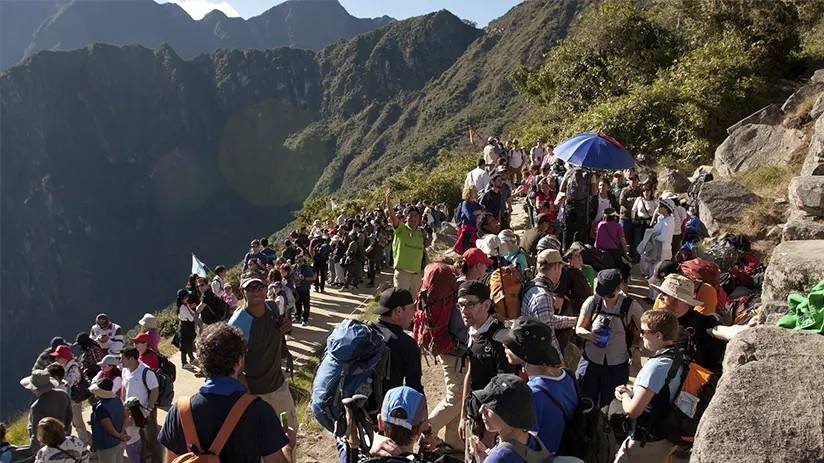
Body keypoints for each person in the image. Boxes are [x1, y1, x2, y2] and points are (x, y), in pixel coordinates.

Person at [159, 323, 289, 463]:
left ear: (203, 363)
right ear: (239, 360)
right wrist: (289, 447)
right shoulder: (260, 411)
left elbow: (171, 460)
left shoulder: (179, 412)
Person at [228, 270, 297, 462]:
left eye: (259, 286)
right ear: (243, 291)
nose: (256, 291)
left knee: (289, 440)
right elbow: (232, 367)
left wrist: (287, 325)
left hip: (279, 386)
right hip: (255, 395)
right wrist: (248, 397)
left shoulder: (273, 308)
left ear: (267, 288)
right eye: (251, 288)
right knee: (261, 449)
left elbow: (284, 331)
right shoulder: (237, 324)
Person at [494, 318, 578, 454]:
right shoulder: (567, 375)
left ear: (523, 354)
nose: (504, 345)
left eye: (510, 345)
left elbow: (526, 445)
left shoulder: (532, 394)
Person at [456, 281, 518, 459]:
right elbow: (471, 373)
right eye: (460, 305)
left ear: (486, 305)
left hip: (492, 424)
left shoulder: (499, 338)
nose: (464, 310)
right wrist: (463, 415)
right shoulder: (473, 332)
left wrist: (491, 430)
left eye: (470, 304)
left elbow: (505, 385)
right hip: (474, 416)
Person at [613, 310, 682, 462]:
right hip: (665, 437)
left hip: (646, 442)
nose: (641, 336)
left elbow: (633, 411)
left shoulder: (657, 365)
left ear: (658, 335)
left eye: (644, 332)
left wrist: (624, 394)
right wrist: (634, 391)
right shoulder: (676, 356)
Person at [652, 274, 755, 372]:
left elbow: (719, 330)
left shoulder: (700, 321)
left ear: (679, 300)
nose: (659, 296)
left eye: (665, 294)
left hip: (690, 386)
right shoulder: (666, 320)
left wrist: (744, 328)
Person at [469, 374, 581, 463]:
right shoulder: (533, 441)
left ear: (509, 415)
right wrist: (484, 457)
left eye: (489, 407)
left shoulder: (499, 458)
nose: (481, 410)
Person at [574, 269, 644, 409]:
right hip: (591, 361)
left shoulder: (630, 306)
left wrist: (637, 350)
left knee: (611, 406)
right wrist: (589, 335)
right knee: (584, 401)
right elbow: (579, 328)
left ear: (619, 288)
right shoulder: (593, 302)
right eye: (602, 293)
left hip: (617, 365)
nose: (605, 298)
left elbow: (646, 331)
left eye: (610, 294)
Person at [338, 386, 431, 463]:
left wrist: (369, 438)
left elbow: (341, 437)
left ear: (380, 423)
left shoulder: (356, 458)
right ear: (420, 429)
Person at [520, 250, 578, 363]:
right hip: (539, 360)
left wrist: (574, 321)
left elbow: (548, 320)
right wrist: (560, 364)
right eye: (561, 268)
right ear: (556, 266)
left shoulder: (533, 286)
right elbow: (548, 337)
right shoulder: (543, 296)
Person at [372, 288, 424, 393]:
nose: (414, 312)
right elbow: (414, 389)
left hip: (352, 404)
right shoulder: (407, 344)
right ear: (399, 310)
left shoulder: (366, 332)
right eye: (412, 308)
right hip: (386, 406)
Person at [121, 346, 163, 463]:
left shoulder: (146, 371)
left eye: (123, 358)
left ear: (131, 359)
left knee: (151, 438)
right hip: (131, 412)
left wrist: (148, 410)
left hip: (145, 411)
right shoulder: (124, 371)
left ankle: (157, 460)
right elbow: (124, 388)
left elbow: (155, 390)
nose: (121, 361)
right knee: (138, 439)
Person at [386, 190, 428, 295]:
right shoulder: (401, 229)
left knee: (413, 304)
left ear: (419, 218)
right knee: (400, 301)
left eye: (416, 216)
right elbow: (393, 218)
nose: (413, 218)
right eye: (411, 215)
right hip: (402, 273)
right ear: (406, 217)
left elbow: (423, 249)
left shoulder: (421, 232)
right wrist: (388, 203)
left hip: (416, 274)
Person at [49, 344, 92, 446]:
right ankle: (91, 442)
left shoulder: (73, 368)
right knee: (75, 423)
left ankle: (84, 446)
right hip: (68, 399)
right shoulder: (64, 366)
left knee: (78, 424)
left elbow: (69, 383)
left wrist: (57, 377)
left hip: (74, 400)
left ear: (65, 357)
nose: (56, 359)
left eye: (58, 357)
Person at [21, 370, 72, 454]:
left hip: (48, 446)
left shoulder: (37, 406)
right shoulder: (63, 394)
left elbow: (36, 432)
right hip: (64, 438)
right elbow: (69, 417)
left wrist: (36, 452)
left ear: (34, 388)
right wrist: (65, 432)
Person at [89, 378, 128, 463]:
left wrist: (119, 436)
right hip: (120, 442)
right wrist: (122, 433)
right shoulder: (117, 399)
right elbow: (126, 416)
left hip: (107, 444)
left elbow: (109, 428)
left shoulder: (101, 408)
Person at [646, 199, 675, 301]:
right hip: (656, 249)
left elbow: (663, 237)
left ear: (666, 209)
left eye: (661, 206)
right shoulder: (662, 219)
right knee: (652, 270)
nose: (658, 207)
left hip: (663, 250)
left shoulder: (670, 220)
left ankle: (655, 297)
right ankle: (650, 295)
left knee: (658, 272)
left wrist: (653, 236)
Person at [176, 289, 202, 370]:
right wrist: (193, 313)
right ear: (183, 298)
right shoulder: (183, 308)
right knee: (184, 346)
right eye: (186, 297)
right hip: (186, 327)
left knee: (189, 343)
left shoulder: (184, 305)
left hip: (186, 326)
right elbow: (191, 318)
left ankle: (192, 358)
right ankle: (184, 363)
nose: (188, 298)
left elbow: (191, 313)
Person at [453, 186, 483, 255]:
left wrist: (477, 212)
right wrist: (477, 213)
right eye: (474, 191)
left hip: (475, 231)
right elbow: (470, 217)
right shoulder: (465, 203)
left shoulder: (476, 204)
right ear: (469, 193)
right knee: (467, 252)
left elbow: (484, 211)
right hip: (467, 232)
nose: (476, 192)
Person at [618, 175, 642, 261]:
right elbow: (622, 201)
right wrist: (634, 203)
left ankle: (634, 258)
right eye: (631, 180)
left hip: (635, 217)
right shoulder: (625, 190)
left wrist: (632, 203)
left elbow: (641, 202)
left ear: (637, 181)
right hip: (625, 217)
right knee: (622, 236)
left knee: (634, 238)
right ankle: (622, 255)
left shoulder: (639, 191)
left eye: (634, 180)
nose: (632, 182)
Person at [291, 254, 316, 326]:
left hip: (305, 289)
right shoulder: (293, 267)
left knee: (306, 304)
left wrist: (304, 278)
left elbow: (313, 278)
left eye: (302, 261)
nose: (301, 262)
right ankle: (297, 317)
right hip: (296, 289)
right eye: (299, 261)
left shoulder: (307, 268)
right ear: (296, 261)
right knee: (297, 303)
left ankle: (305, 319)